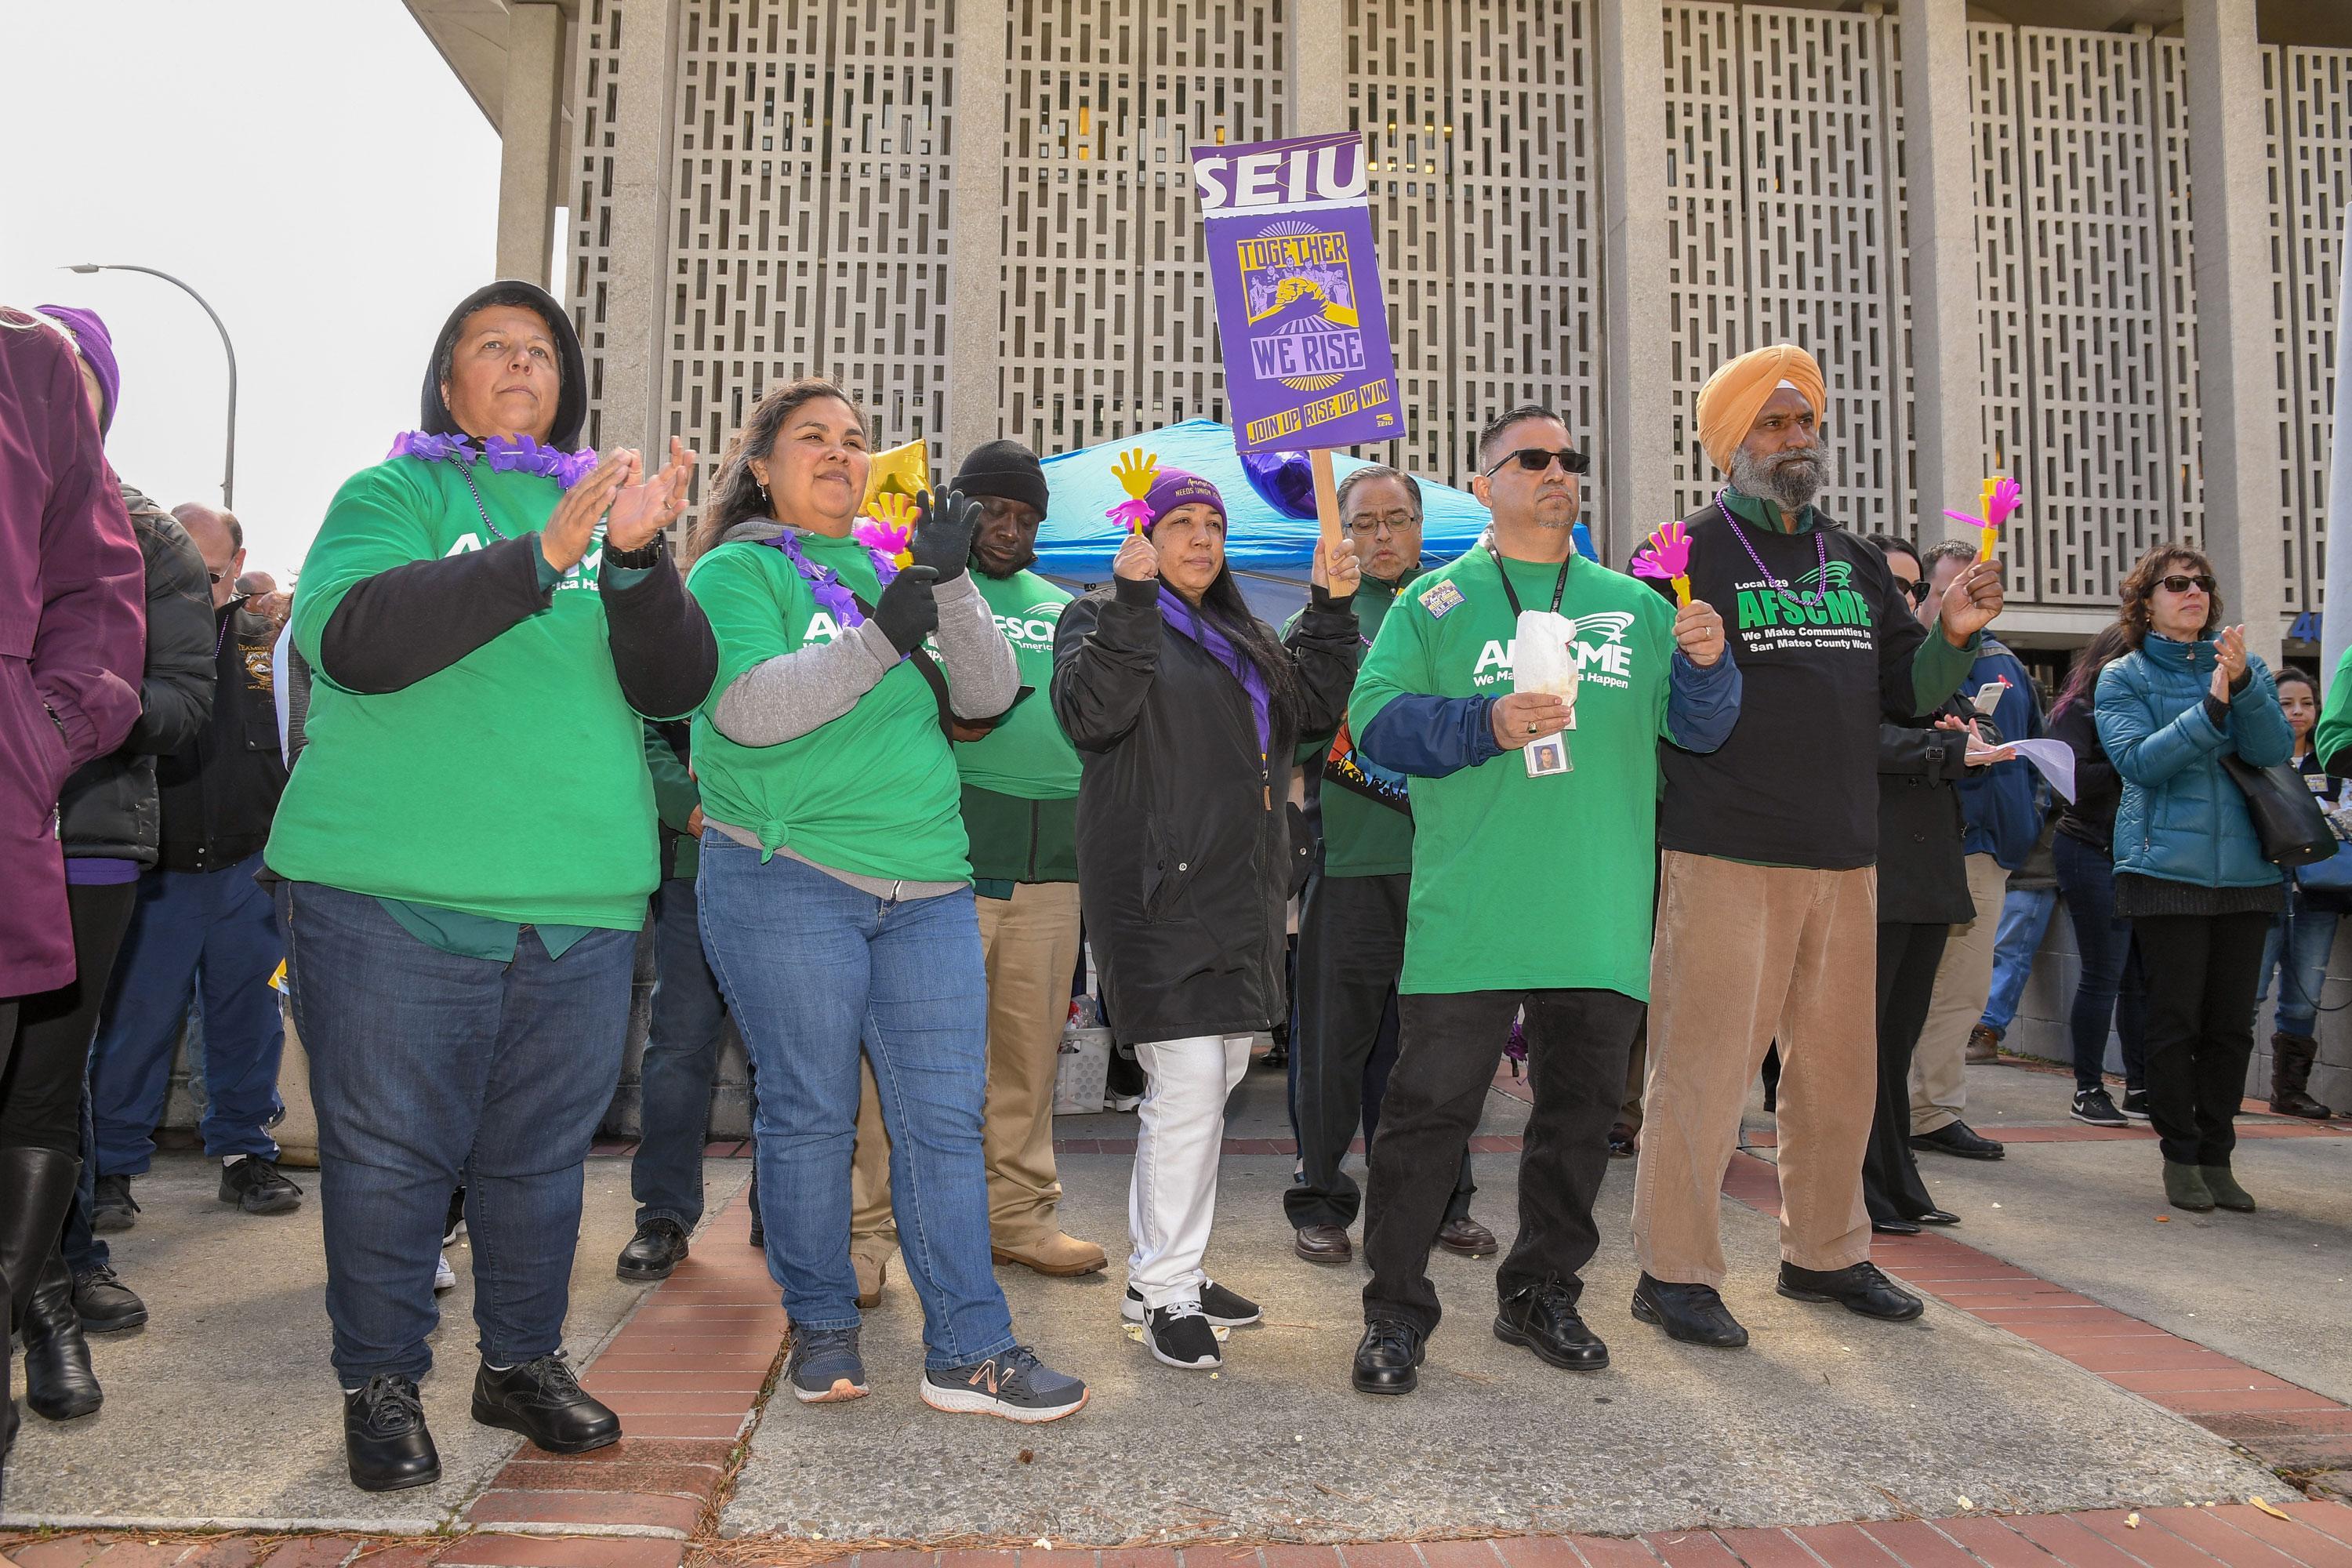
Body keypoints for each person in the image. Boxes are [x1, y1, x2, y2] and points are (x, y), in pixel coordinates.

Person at [264, 280, 716, 1490]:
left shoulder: (607, 516)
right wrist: (545, 554)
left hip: (579, 899)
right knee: (391, 1154)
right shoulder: (394, 494)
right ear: (449, 381)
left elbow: (675, 685)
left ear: (566, 385)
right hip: (395, 890)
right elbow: (353, 638)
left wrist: (636, 565)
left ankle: (519, 1362)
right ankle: (381, 1379)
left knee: (540, 1155)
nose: (522, 364)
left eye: (542, 351)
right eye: (492, 348)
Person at [685, 379, 1087, 1422]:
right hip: (791, 878)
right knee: (814, 1113)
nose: (839, 453)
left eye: (855, 441)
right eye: (812, 438)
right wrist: (876, 637)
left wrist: (945, 587)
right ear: (761, 466)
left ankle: (970, 1347)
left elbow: (990, 695)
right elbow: (745, 708)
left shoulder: (887, 566)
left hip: (927, 885)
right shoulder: (737, 571)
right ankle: (823, 1322)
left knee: (944, 1121)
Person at [1347, 408, 1738, 1394]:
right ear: (1485, 483)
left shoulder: (1639, 605)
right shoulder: (1433, 604)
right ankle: (1395, 1310)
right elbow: (1373, 724)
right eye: (1534, 458)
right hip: (1471, 910)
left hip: (1597, 910)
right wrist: (1482, 720)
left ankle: (1541, 1291)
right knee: (1426, 1117)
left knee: (1576, 1119)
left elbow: (1702, 730)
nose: (1559, 471)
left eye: (1572, 457)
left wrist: (1706, 665)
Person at [1629, 343, 2002, 1348]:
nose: (1797, 440)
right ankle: (1673, 1270)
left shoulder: (1852, 557)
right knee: (1703, 1072)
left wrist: (1954, 632)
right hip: (1723, 850)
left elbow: (1907, 691)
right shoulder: (1679, 552)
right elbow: (1648, 702)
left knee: (1840, 1074)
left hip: (1846, 855)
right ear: (1730, 439)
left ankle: (1825, 1253)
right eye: (1774, 423)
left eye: (1805, 423)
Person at [1052, 459, 1361, 1372]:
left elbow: (1310, 706)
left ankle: (1164, 1272)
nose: (1198, 539)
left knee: (1214, 1073)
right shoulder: (1102, 614)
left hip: (1241, 889)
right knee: (1186, 1083)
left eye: (1212, 527)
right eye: (1180, 522)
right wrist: (1134, 605)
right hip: (1155, 892)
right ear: (1143, 535)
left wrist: (1332, 608)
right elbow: (1092, 713)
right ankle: (1167, 1287)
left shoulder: (1243, 630)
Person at [13, 307, 213, 1426]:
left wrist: (55, 721)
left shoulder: (150, 538)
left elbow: (183, 707)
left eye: (74, 377)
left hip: (84, 839)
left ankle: (45, 1290)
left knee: (46, 1084)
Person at [849, 439, 1110, 1283]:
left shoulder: (1069, 604)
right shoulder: (917, 592)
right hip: (940, 863)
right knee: (901, 1058)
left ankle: (1020, 1216)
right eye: (993, 510)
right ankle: (864, 1231)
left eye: (1026, 516)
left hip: (1054, 870)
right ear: (958, 508)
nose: (1009, 528)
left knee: (1028, 1064)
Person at [0, 306, 143, 1485]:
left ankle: (35, 1305)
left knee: (41, 1097)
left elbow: (112, 620)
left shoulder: (22, 359)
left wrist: (34, 740)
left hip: (55, 846)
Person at [1285, 463, 1492, 1267]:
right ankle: (1321, 1199)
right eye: (1361, 521)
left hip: (1446, 864)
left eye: (1394, 519)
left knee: (1440, 1044)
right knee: (1332, 1046)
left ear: (1419, 526)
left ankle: (1443, 1200)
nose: (1378, 536)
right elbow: (1294, 731)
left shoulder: (1455, 606)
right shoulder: (1317, 617)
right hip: (1350, 862)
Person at [82, 501, 299, 1229]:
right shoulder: (119, 640)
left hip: (249, 870)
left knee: (251, 1021)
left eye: (207, 576)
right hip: (153, 875)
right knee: (134, 1026)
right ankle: (110, 1167)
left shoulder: (272, 647)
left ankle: (246, 1153)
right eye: (171, 572)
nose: (189, 590)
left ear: (237, 569)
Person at [2095, 545, 2290, 1214]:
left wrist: (2248, 687)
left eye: (2202, 583)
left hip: (2246, 873)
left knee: (2232, 1026)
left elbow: (2270, 751)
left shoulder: (2246, 667)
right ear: (2145, 600)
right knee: (2175, 1021)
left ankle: (2218, 1153)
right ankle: (2180, 1154)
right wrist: (2210, 708)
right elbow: (2140, 764)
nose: (2193, 593)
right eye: (2176, 584)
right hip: (2163, 870)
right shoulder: (2123, 676)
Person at [1861, 534, 2002, 1238]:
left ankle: (1895, 1178)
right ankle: (1868, 1185)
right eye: (1891, 584)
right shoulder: (1847, 660)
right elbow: (1853, 739)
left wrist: (1967, 731)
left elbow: (1935, 729)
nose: (1906, 597)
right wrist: (1942, 746)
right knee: (1867, 1044)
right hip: (1874, 869)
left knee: (1900, 1036)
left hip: (1927, 872)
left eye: (1915, 587)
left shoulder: (1930, 661)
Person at [1908, 539, 2040, 1162]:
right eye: (1949, 589)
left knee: (1962, 988)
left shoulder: (2008, 667)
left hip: (1985, 849)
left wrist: (2026, 819)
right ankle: (1899, 1111)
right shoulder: (1906, 665)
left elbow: (2030, 748)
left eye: (1978, 589)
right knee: (1905, 987)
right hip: (1926, 844)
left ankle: (1933, 1110)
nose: (1965, 600)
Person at [615, 717, 757, 1280]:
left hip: (795, 864)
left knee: (787, 1049)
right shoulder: (675, 626)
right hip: (693, 863)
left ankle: (785, 1212)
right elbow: (637, 727)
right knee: (679, 1042)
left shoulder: (820, 624)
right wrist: (688, 809)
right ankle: (664, 1214)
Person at [2049, 622, 2152, 1125]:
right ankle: (2087, 1088)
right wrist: (2130, 756)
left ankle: (2141, 1085)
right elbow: (2068, 784)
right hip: (2088, 847)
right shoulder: (2078, 710)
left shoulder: (2145, 708)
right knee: (2102, 975)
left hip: (2137, 853)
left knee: (2139, 978)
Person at [2252, 667, 2339, 1120]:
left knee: (2305, 994)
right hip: (2266, 887)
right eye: (2287, 704)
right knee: (2250, 990)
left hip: (2319, 891)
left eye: (2306, 703)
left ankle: (2290, 1092)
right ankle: (2221, 1088)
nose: (2298, 713)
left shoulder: (2333, 761)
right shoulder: (2258, 757)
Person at [1975, 822, 2062, 1057]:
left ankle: (1987, 1030)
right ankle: (1978, 1027)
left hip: (2032, 866)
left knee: (2009, 950)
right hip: (2000, 860)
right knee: (1988, 949)